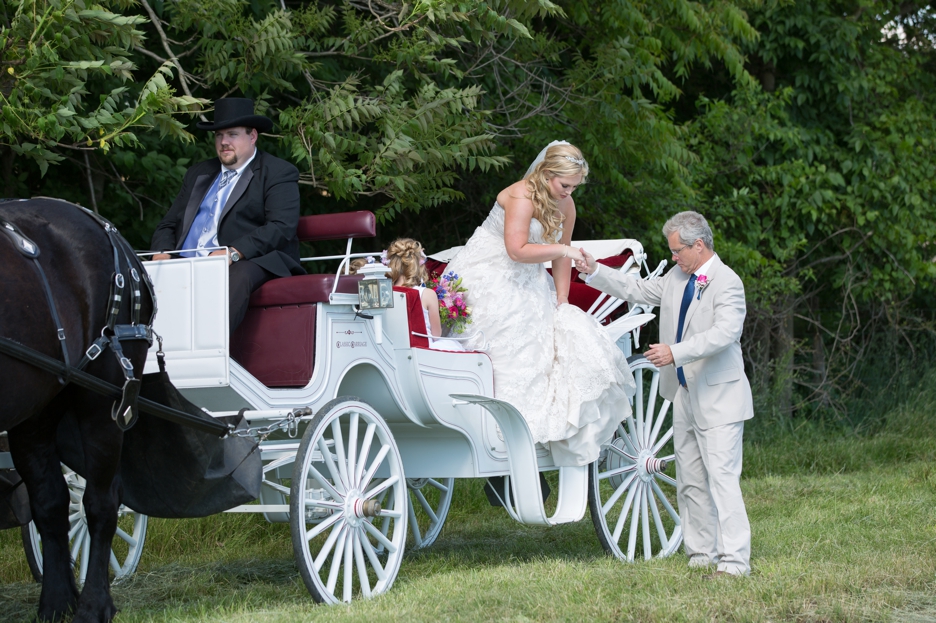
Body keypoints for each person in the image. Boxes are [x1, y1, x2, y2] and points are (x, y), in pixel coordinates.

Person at [575, 210, 753, 577]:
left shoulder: (727, 282)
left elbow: (725, 334)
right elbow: (637, 290)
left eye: (677, 251)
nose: (673, 258)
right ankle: (701, 554)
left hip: (720, 398)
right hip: (684, 393)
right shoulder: (676, 277)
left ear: (698, 245)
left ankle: (735, 561)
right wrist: (594, 271)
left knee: (721, 478)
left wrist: (676, 352)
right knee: (689, 478)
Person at [446, 141, 635, 466]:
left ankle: (531, 438)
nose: (569, 192)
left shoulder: (566, 205)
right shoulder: (520, 195)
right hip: (486, 273)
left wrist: (561, 299)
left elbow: (563, 251)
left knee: (550, 336)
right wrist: (563, 251)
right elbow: (517, 250)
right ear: (547, 173)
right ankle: (493, 433)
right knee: (507, 337)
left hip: (528, 280)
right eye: (565, 185)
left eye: (575, 186)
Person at [150, 97, 304, 332]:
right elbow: (169, 224)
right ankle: (144, 352)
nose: (223, 142)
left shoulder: (277, 172)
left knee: (237, 275)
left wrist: (234, 252)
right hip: (188, 260)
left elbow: (281, 227)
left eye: (232, 134)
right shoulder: (199, 173)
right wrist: (162, 253)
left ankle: (211, 348)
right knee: (135, 272)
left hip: (248, 260)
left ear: (252, 136)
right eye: (218, 135)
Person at [385, 238, 465, 352]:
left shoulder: (384, 294)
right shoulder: (427, 294)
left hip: (391, 351)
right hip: (422, 351)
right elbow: (436, 335)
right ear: (418, 265)